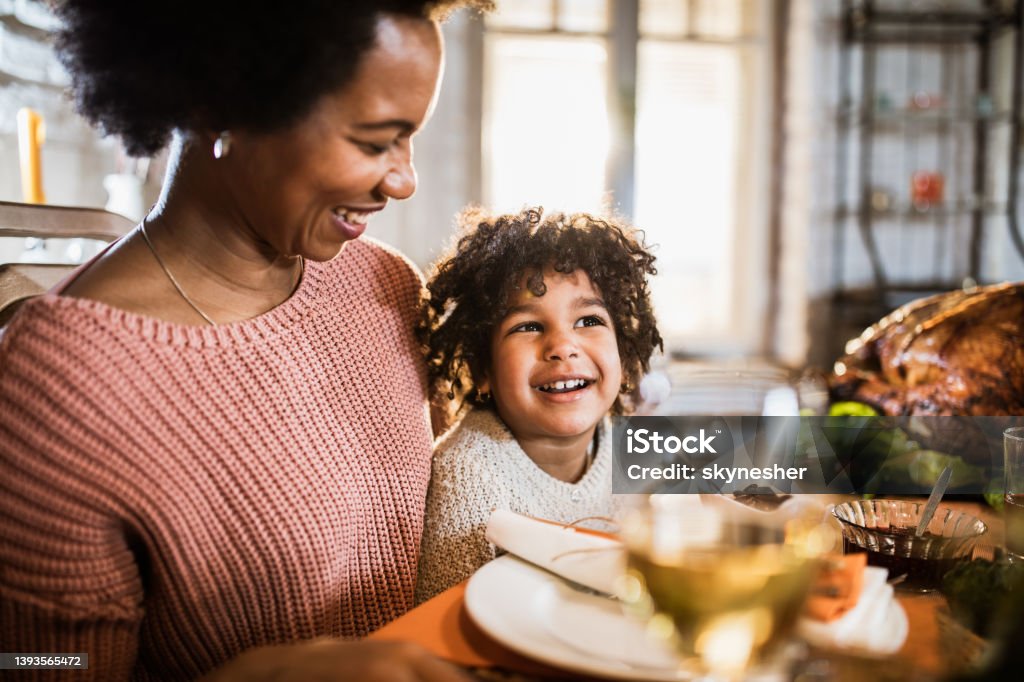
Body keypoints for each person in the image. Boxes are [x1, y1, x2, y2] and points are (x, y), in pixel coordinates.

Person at [0, 2, 492, 680]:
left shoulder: (386, 288)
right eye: (375, 141)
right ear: (224, 103)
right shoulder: (64, 379)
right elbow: (32, 662)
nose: (404, 181)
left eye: (410, 140)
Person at [415, 207, 663, 602]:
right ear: (483, 369)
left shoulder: (629, 439)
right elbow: (448, 625)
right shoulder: (469, 476)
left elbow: (781, 454)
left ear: (623, 352)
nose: (563, 346)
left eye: (589, 321)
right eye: (528, 327)